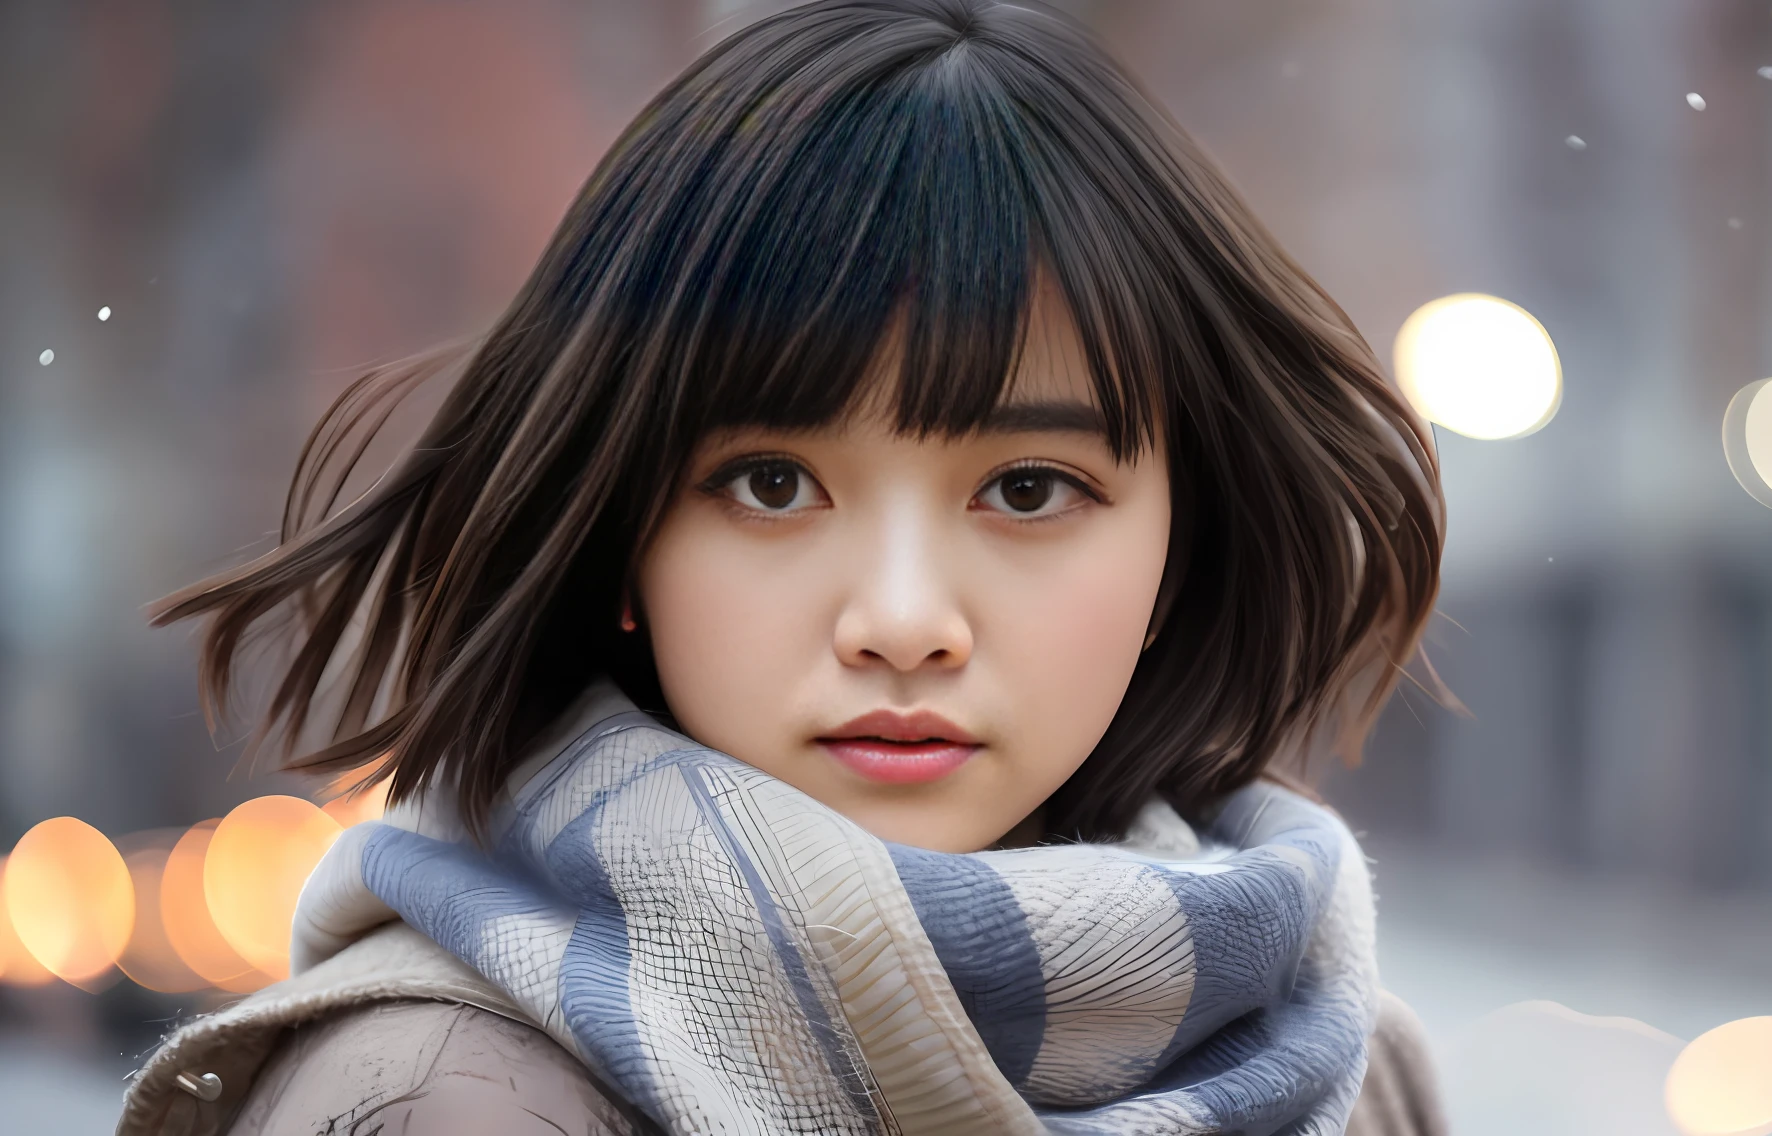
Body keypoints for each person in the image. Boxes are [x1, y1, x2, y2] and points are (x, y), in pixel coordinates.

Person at [119, 1, 1448, 1132]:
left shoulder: (1340, 1065)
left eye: (1029, 489)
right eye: (772, 486)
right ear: (623, 535)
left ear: (1180, 548)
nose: (905, 622)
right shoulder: (450, 1098)